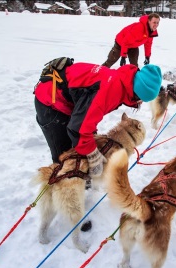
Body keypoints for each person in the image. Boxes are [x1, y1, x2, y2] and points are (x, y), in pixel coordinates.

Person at [34, 62, 162, 231]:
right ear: (138, 91)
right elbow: (78, 129)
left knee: (78, 154)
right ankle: (71, 210)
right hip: (51, 103)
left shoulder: (121, 81)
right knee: (65, 158)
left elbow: (88, 113)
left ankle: (79, 190)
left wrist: (91, 136)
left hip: (64, 101)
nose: (139, 103)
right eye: (141, 98)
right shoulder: (112, 90)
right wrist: (93, 156)